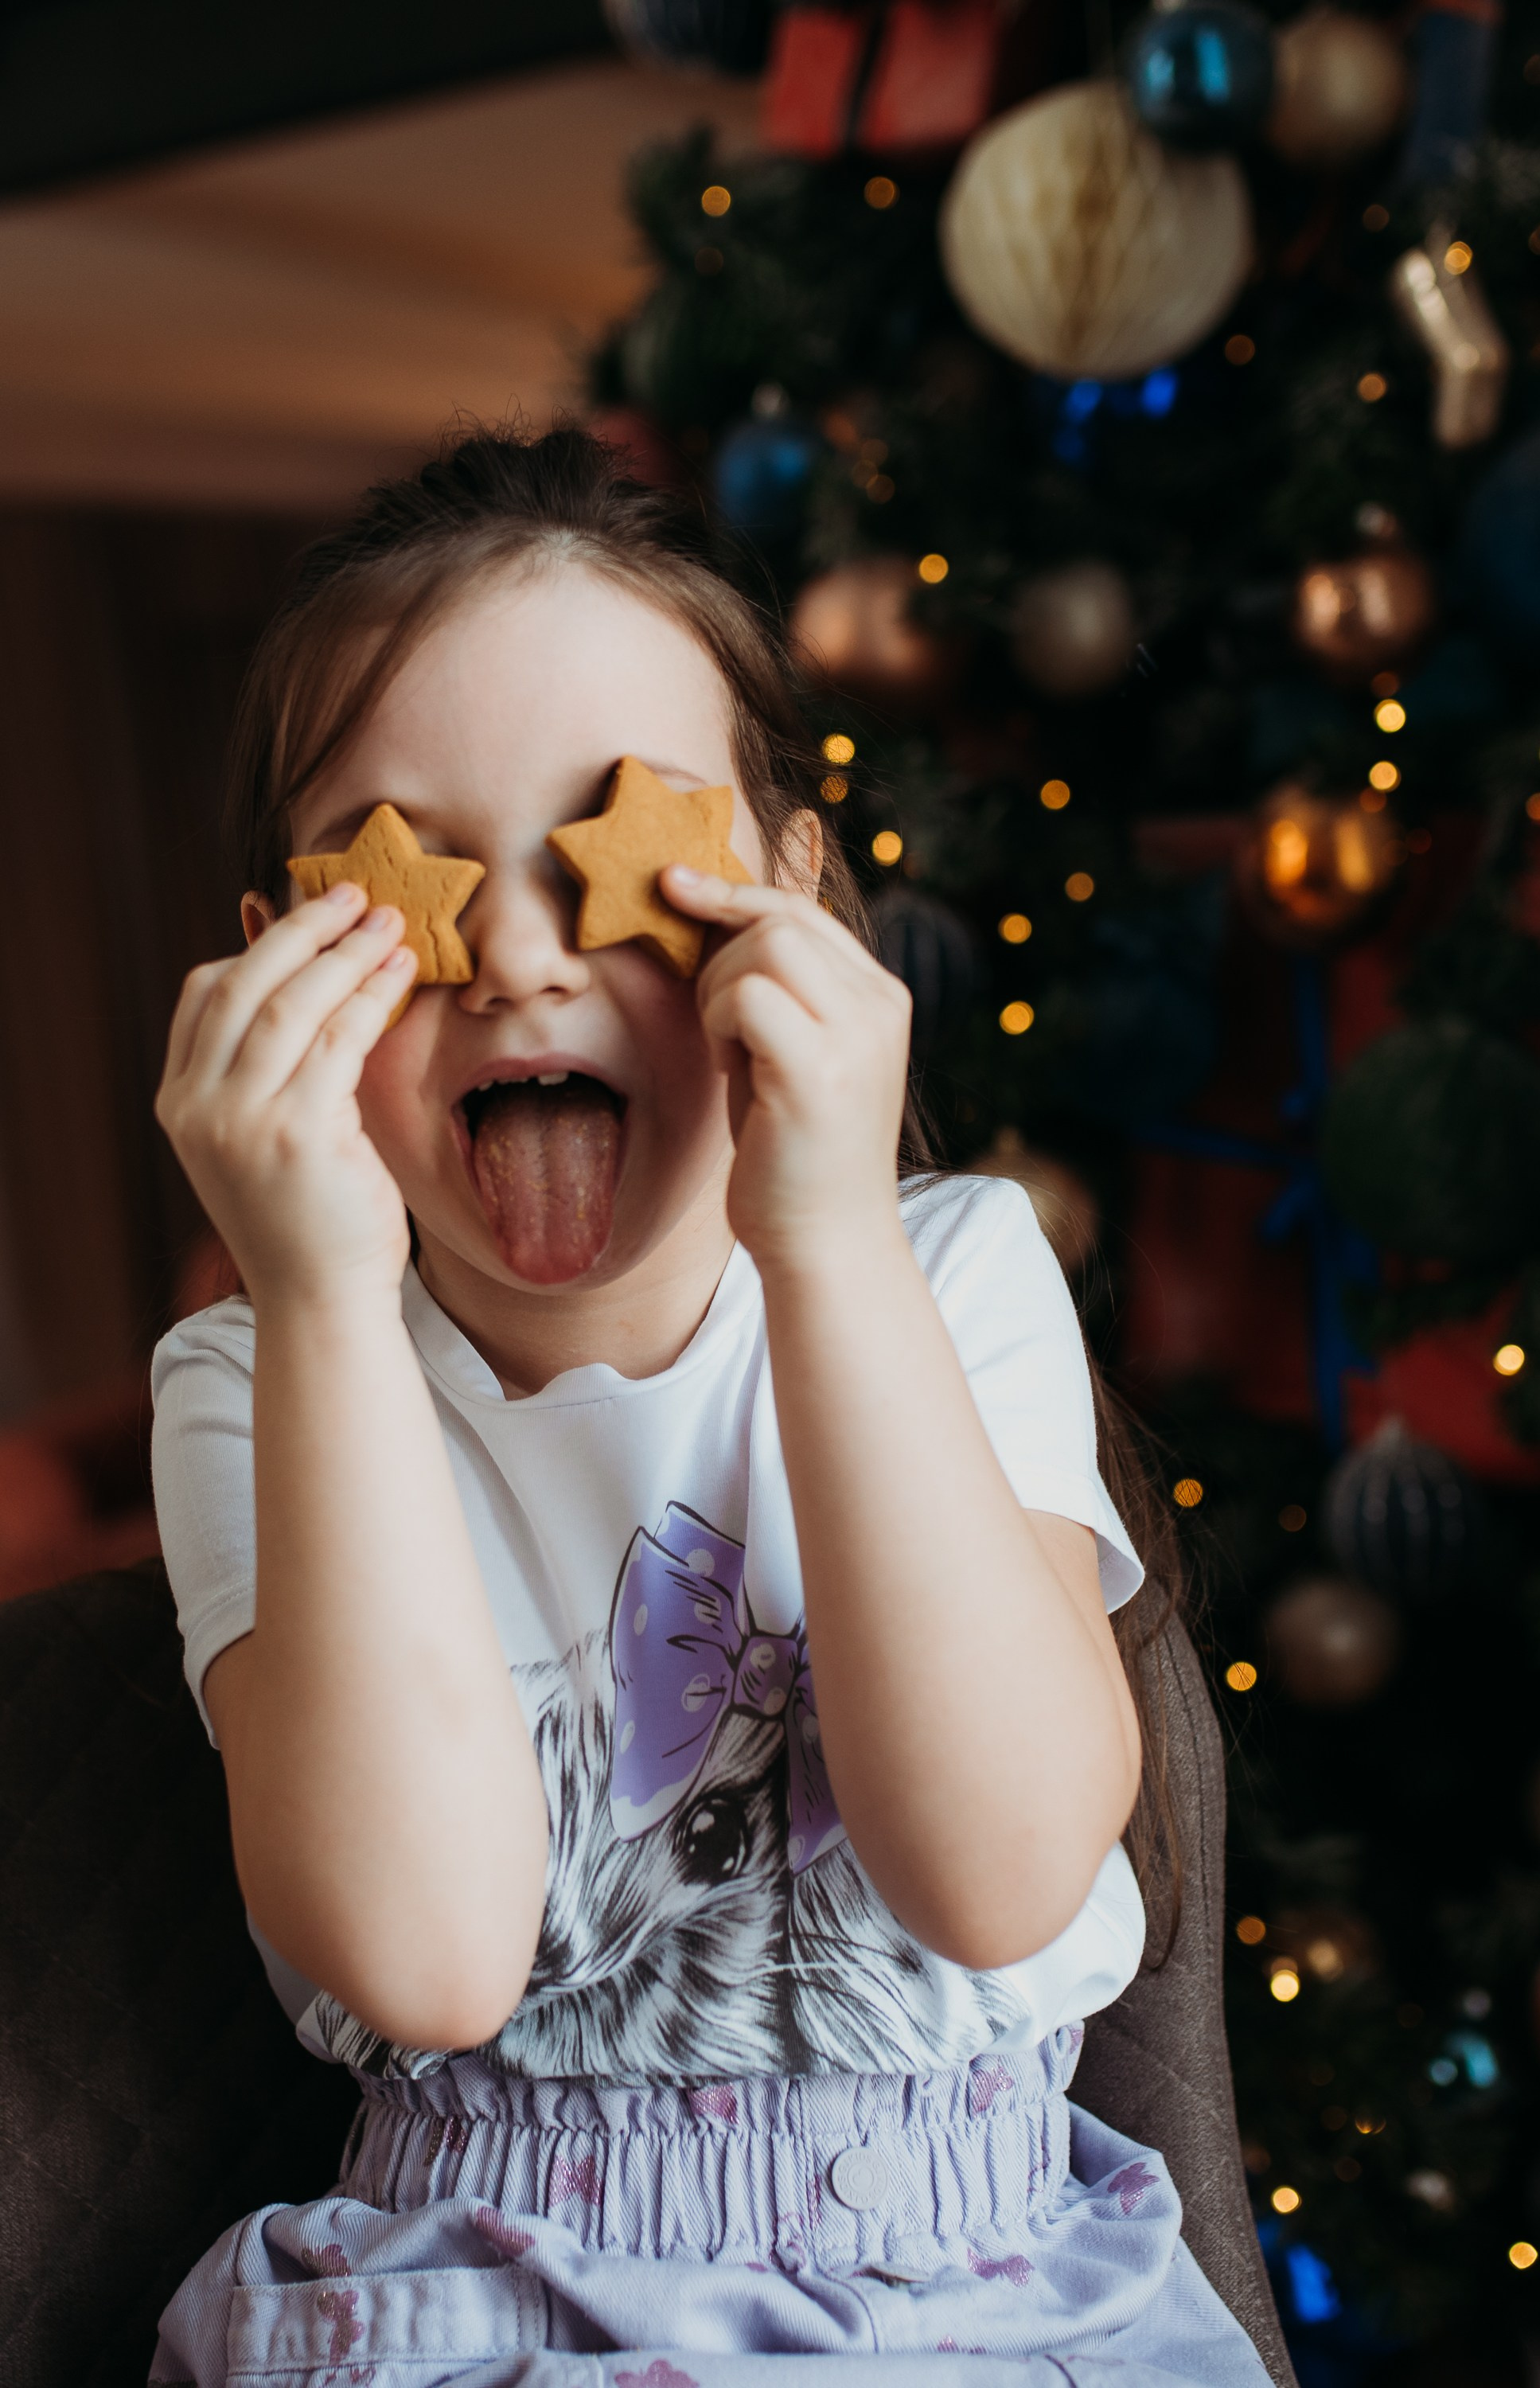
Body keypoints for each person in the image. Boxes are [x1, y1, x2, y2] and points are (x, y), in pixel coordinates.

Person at [148, 427, 1269, 2387]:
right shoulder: (259, 1383)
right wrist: (318, 1284)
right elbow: (423, 1954)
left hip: (989, 2300)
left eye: (617, 842)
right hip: (472, 2306)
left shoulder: (941, 1273)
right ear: (278, 964)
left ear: (792, 894)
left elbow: (999, 1872)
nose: (510, 951)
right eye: (407, 880)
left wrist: (824, 1237)